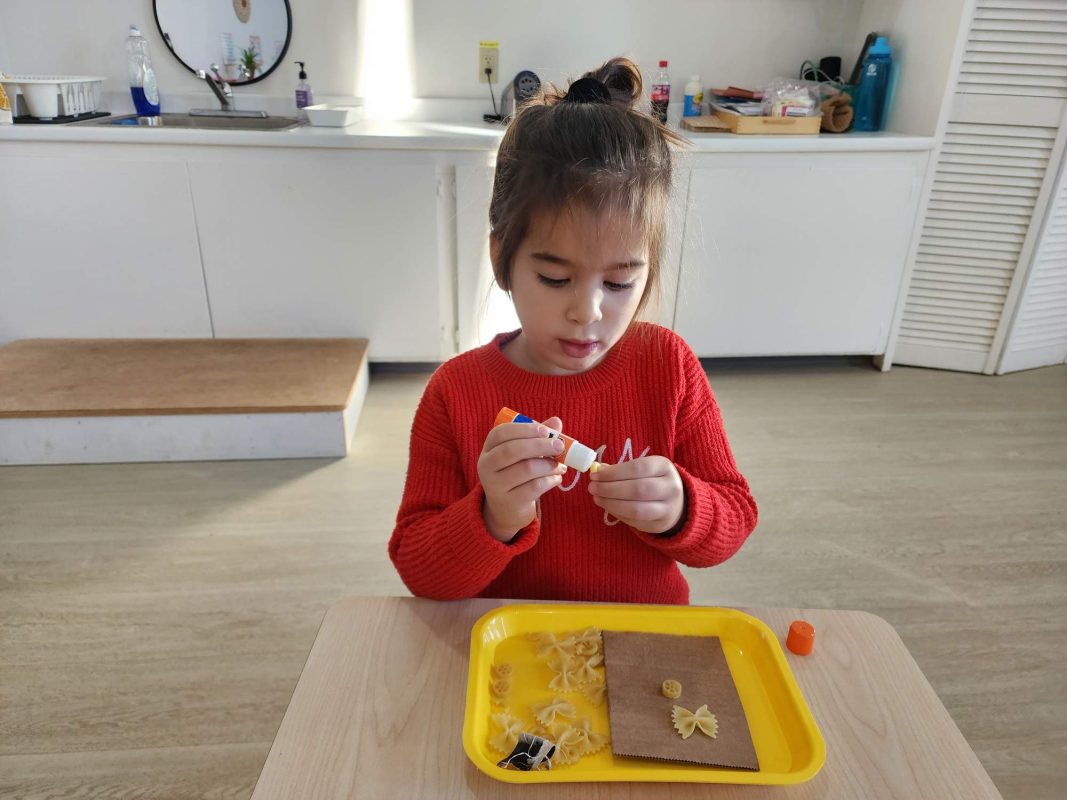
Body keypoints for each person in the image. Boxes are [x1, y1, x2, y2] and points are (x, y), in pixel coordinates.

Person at [388, 57, 757, 604]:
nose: (587, 312)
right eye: (555, 279)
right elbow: (421, 573)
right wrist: (494, 516)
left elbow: (735, 517)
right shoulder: (456, 392)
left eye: (619, 282)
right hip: (514, 640)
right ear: (501, 260)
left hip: (642, 634)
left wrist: (682, 507)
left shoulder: (668, 366)